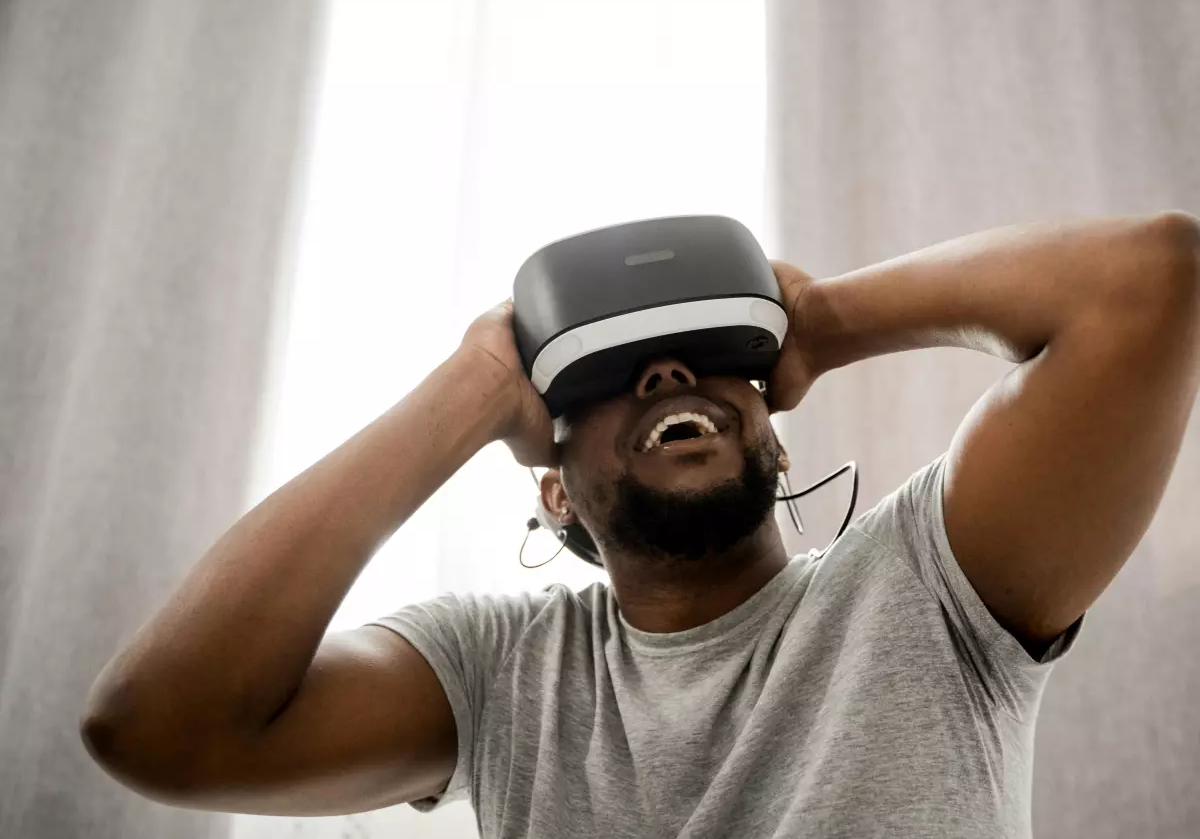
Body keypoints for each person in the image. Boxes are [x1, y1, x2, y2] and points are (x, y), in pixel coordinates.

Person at [81, 213, 1200, 838]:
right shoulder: (502, 673)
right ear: (553, 492)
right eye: (613, 375)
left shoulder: (926, 589)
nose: (671, 368)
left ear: (779, 442)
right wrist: (471, 389)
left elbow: (1151, 283)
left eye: (713, 359)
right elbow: (156, 728)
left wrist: (817, 322)